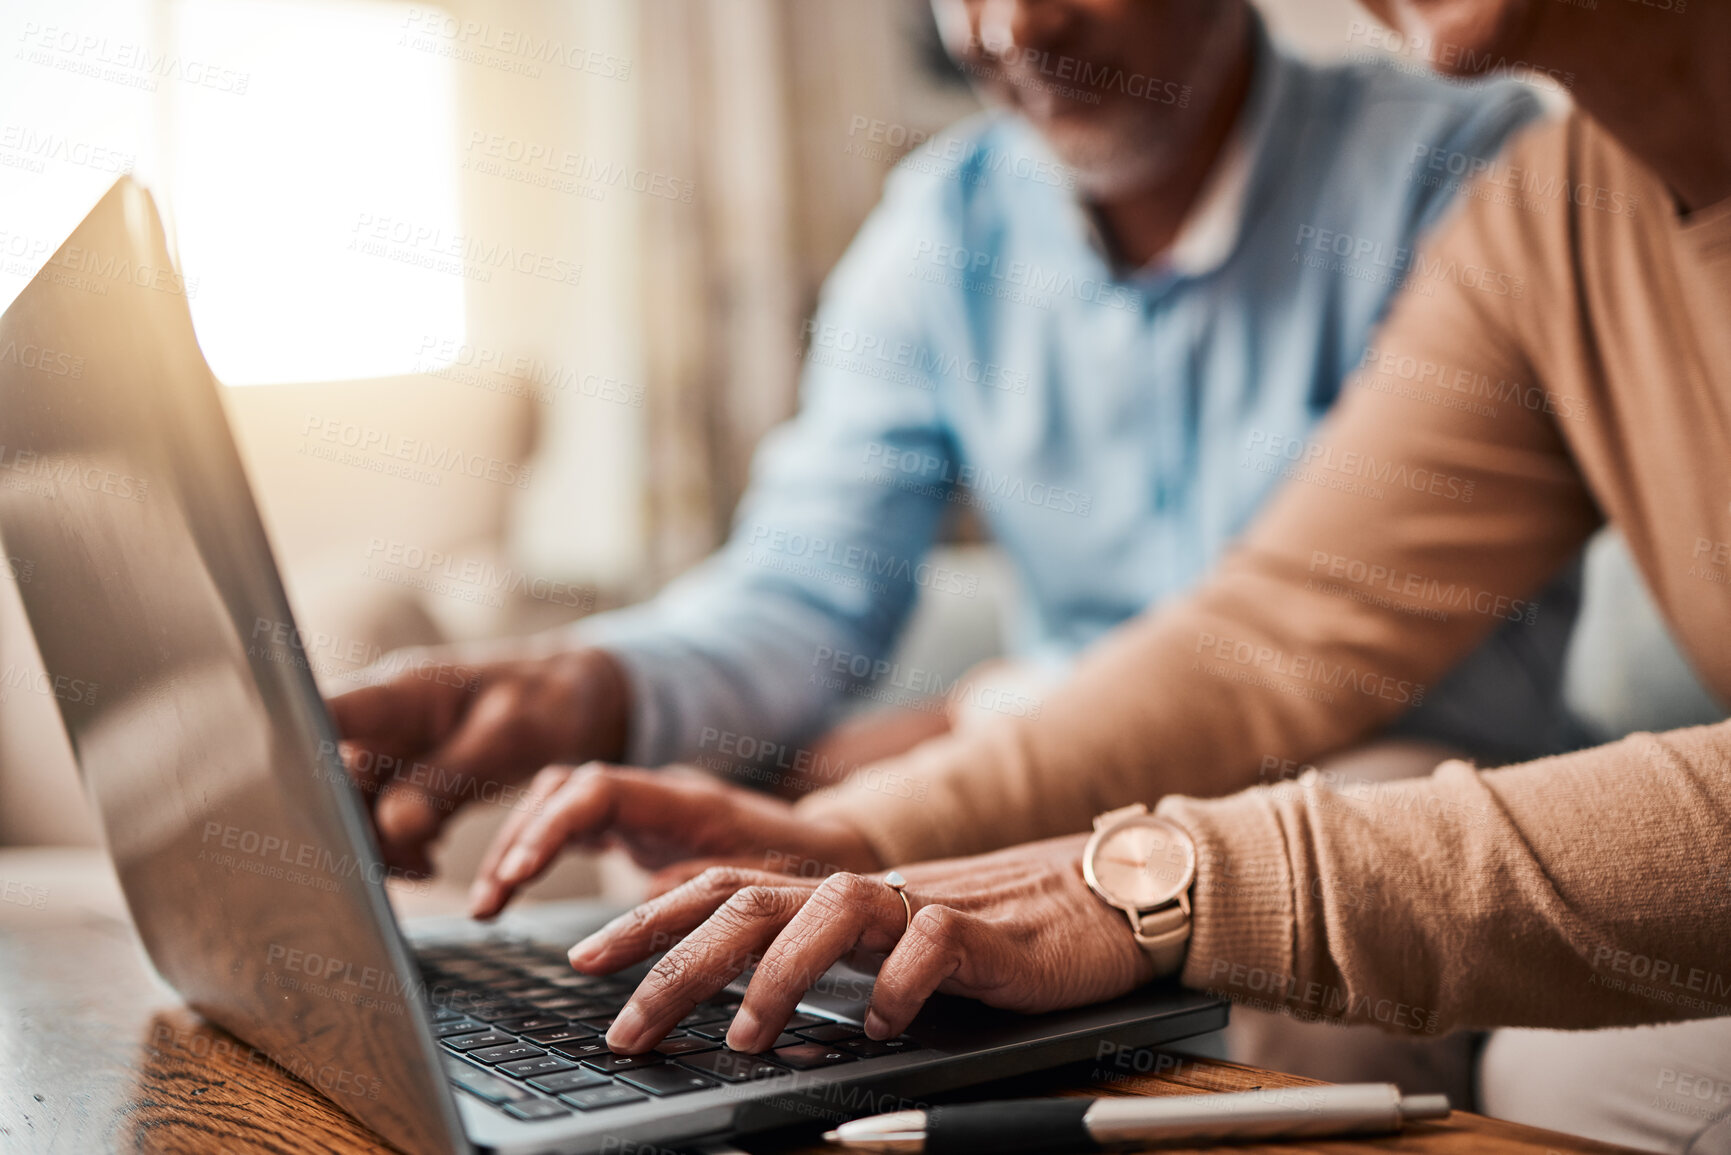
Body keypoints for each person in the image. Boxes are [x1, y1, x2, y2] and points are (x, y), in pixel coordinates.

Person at [531, 1, 1731, 1149]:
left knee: (1574, 1066)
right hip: (1157, 774)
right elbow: (1284, 626)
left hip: (1401, 776)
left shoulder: (1452, 159)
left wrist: (1152, 878)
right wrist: (848, 835)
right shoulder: (1552, 211)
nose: (1010, 27)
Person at [329, 0, 1575, 897]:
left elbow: (1316, 640)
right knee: (676, 871)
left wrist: (971, 728)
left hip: (1376, 763)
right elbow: (805, 589)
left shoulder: (1459, 168)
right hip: (1050, 763)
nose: (1012, 27)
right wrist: (590, 687)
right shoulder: (945, 222)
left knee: (1318, 858)